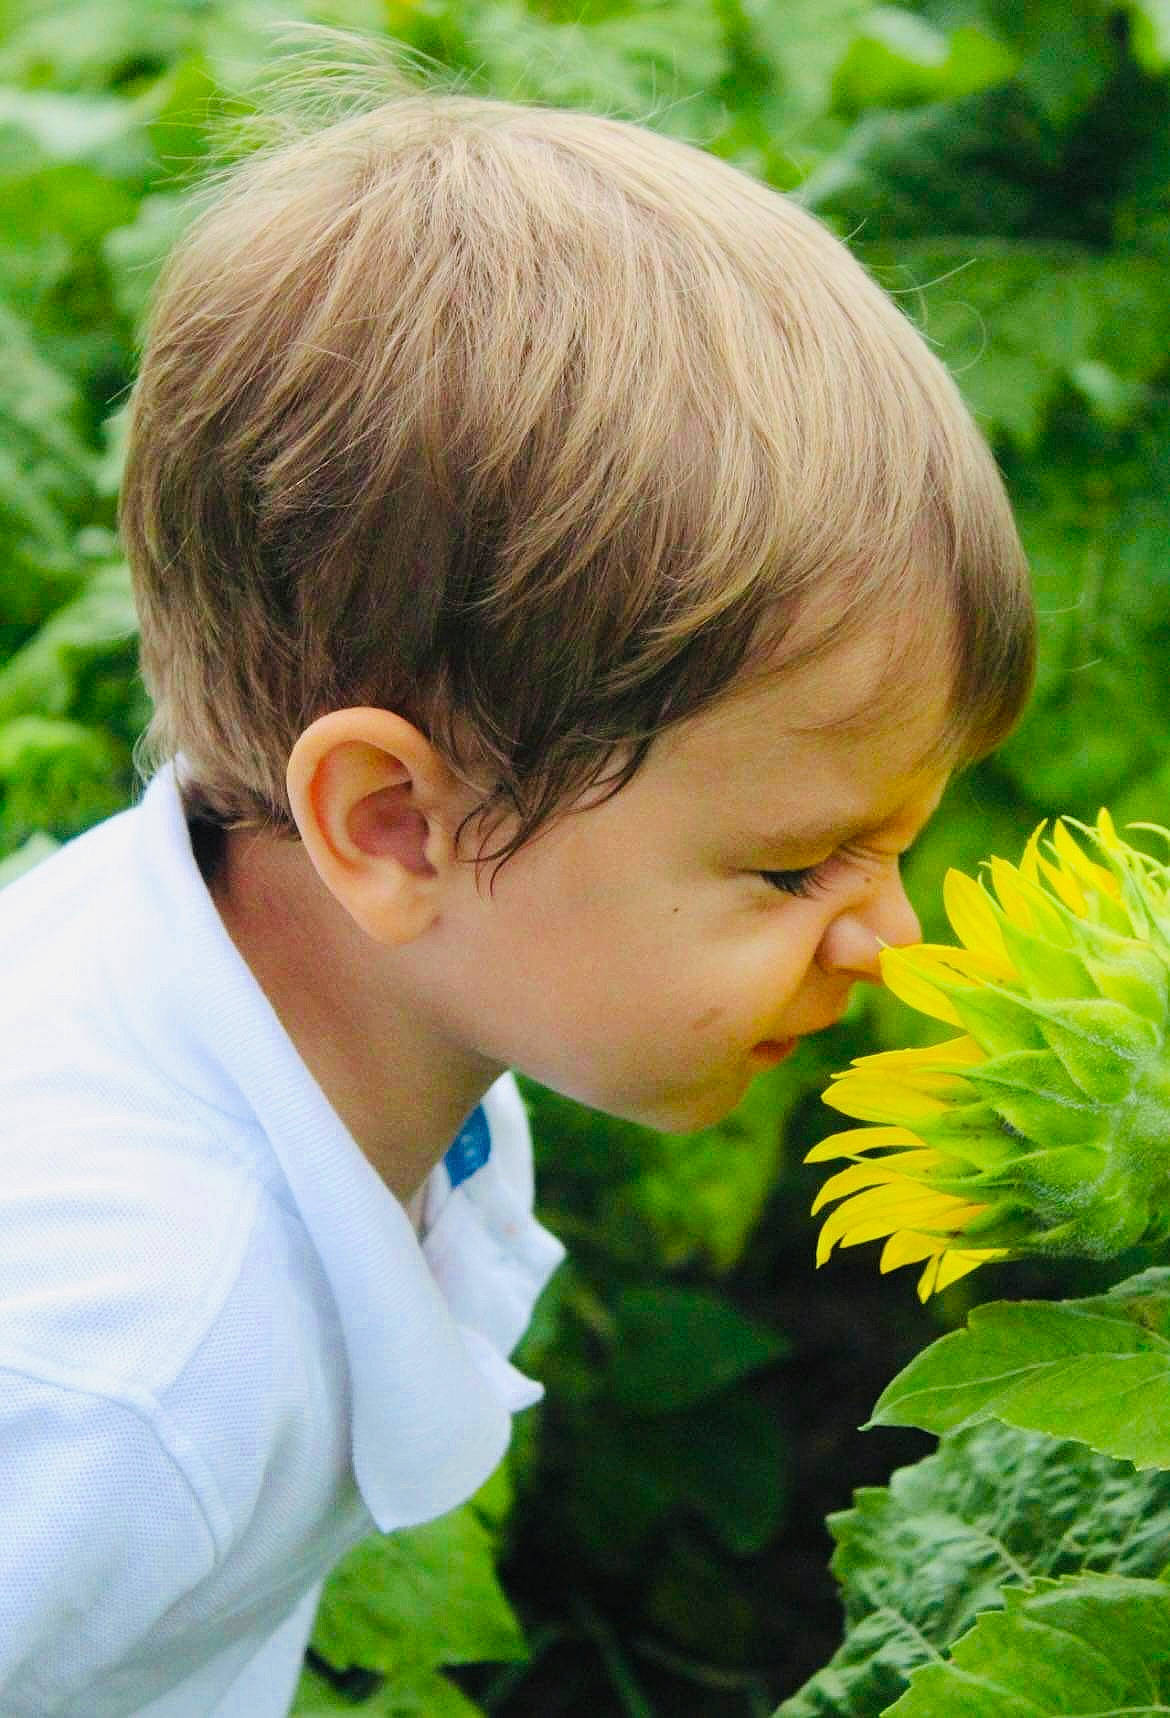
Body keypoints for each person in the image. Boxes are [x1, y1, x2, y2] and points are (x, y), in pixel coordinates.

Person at [0, 55, 1034, 1718]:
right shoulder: (127, 1370)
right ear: (396, 826)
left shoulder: (372, 1024)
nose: (891, 937)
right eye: (790, 863)